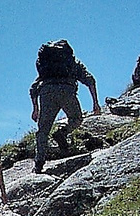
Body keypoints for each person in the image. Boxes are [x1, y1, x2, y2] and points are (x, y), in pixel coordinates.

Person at [29, 40, 100, 174]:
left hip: (46, 92)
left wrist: (35, 108)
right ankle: (62, 132)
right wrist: (95, 103)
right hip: (67, 90)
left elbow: (33, 88)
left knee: (43, 130)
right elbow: (90, 80)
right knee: (76, 119)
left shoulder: (46, 68)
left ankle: (39, 163)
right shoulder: (72, 63)